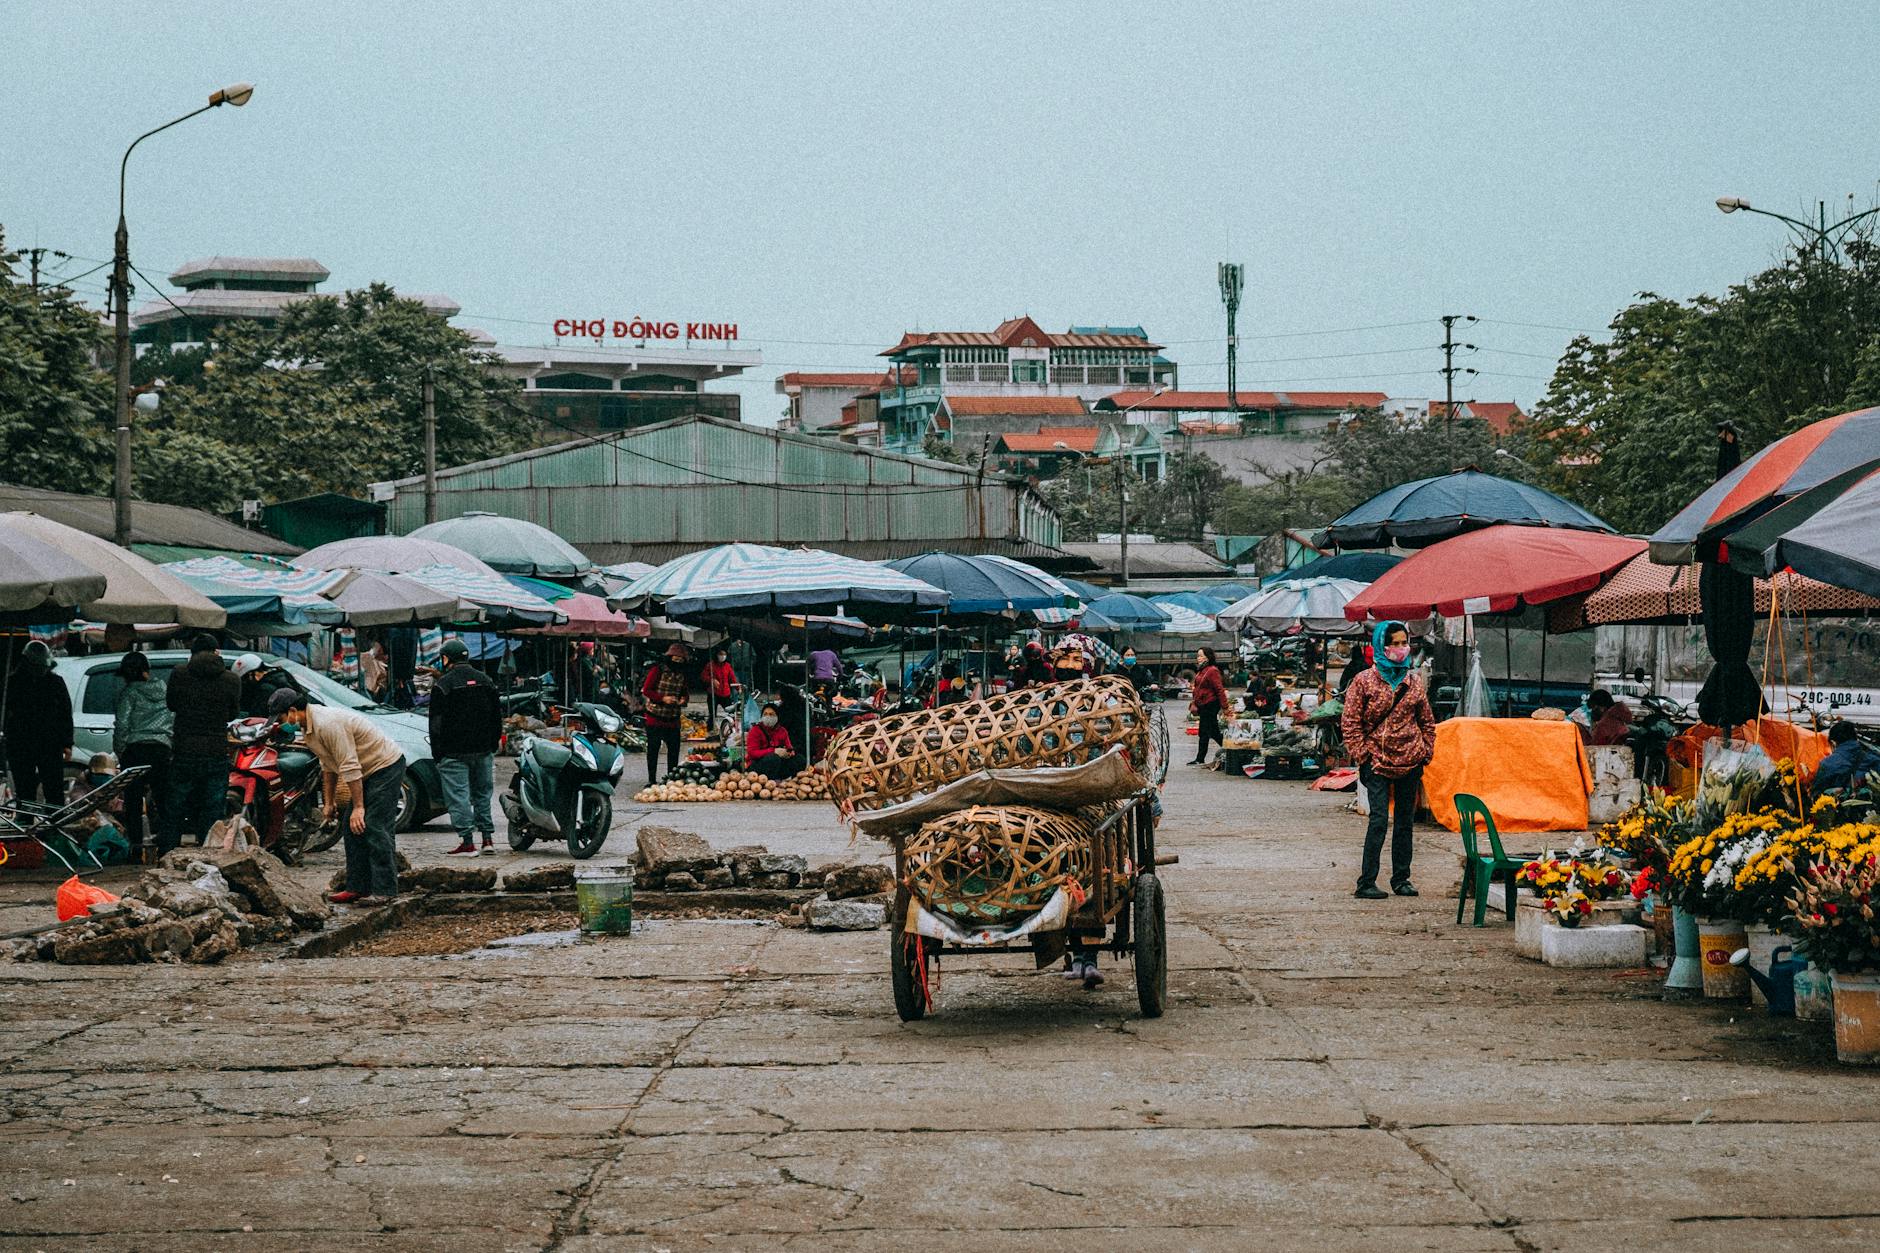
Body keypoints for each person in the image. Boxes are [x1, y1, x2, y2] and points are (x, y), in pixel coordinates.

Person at [272, 688, 405, 904]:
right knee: (351, 829)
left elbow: (350, 765)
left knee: (373, 825)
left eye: (281, 717)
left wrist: (359, 807)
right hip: (364, 770)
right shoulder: (309, 730)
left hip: (384, 766)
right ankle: (357, 887)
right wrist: (329, 801)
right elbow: (328, 766)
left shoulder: (327, 724)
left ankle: (385, 890)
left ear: (293, 711)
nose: (282, 723)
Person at [1340, 620, 1437, 901]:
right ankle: (1366, 881)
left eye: (1403, 643)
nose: (1399, 648)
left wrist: (1425, 752)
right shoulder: (1364, 681)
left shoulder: (1413, 682)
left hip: (1410, 762)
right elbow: (1350, 722)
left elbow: (1427, 722)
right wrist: (1363, 755)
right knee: (1379, 820)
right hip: (1377, 763)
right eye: (1393, 643)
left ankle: (1401, 879)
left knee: (1405, 822)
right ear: (1381, 646)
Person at [160, 634, 242, 854]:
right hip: (216, 749)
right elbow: (233, 712)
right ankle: (208, 853)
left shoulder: (179, 674)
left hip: (184, 749)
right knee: (212, 806)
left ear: (193, 652)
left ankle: (167, 852)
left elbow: (171, 704)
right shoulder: (231, 679)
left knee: (175, 805)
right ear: (217, 651)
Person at [429, 639, 503, 856]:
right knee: (482, 794)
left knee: (459, 796)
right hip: (483, 750)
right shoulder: (486, 681)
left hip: (454, 752)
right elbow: (496, 718)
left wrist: (438, 754)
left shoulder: (443, 685)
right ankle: (487, 840)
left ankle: (467, 841)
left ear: (446, 659)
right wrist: (492, 743)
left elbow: (435, 724)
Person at [113, 652, 172, 854]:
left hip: (135, 751)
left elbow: (122, 725)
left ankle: (136, 845)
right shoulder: (165, 690)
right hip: (161, 750)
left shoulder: (129, 693)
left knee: (133, 801)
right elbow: (173, 719)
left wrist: (121, 751)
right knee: (163, 799)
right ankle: (166, 845)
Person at [4, 640, 73, 806]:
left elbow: (65, 713)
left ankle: (52, 824)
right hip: (23, 742)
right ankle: (34, 822)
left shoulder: (55, 682)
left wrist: (67, 742)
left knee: (50, 789)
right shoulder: (11, 683)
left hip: (45, 743)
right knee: (28, 788)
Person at [640, 642, 690, 783]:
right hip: (655, 717)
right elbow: (647, 690)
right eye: (675, 659)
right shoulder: (658, 670)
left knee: (673, 751)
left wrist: (682, 700)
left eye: (681, 660)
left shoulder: (682, 675)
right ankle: (651, 780)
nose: (678, 662)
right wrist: (663, 699)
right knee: (653, 751)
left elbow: (685, 694)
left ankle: (671, 779)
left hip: (673, 719)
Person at [1816, 721, 1880, 794]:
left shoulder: (1828, 764)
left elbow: (1816, 795)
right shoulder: (1875, 760)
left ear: (1833, 742)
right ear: (1856, 739)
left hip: (1838, 804)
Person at [1189, 647, 1227, 766]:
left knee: (1208, 732)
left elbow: (1219, 689)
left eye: (1201, 656)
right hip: (1203, 705)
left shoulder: (1212, 670)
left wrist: (1225, 706)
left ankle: (1230, 750)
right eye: (1198, 656)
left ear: (1208, 657)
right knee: (1209, 731)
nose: (1198, 658)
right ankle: (1201, 758)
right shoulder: (1202, 670)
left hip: (1211, 704)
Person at [745, 702, 802, 780]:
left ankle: (791, 782)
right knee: (773, 758)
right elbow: (752, 753)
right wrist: (773, 751)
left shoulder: (782, 731)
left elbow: (789, 747)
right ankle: (768, 783)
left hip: (777, 765)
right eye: (765, 714)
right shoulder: (755, 730)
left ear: (777, 717)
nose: (768, 716)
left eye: (771, 714)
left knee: (799, 759)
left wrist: (789, 752)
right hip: (757, 765)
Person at [232, 653, 294, 720]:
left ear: (251, 675)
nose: (246, 684)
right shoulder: (278, 677)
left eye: (245, 679)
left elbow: (257, 717)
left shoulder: (265, 689)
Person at [701, 646, 739, 724]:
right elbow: (703, 676)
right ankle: (711, 729)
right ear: (717, 655)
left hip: (725, 693)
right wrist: (711, 680)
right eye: (720, 654)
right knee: (712, 715)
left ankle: (730, 729)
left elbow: (732, 678)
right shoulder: (710, 665)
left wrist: (738, 688)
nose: (722, 656)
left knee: (731, 713)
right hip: (713, 693)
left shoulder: (728, 665)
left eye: (724, 654)